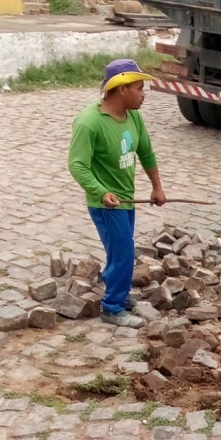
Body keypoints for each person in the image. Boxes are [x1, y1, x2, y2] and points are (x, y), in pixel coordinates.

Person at [68, 59, 167, 328]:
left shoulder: (134, 116)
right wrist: (101, 192)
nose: (143, 94)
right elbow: (77, 165)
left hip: (127, 198)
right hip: (106, 204)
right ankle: (112, 307)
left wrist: (157, 186)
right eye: (138, 88)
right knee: (124, 252)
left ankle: (120, 294)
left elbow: (145, 152)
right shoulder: (90, 123)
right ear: (121, 89)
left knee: (121, 250)